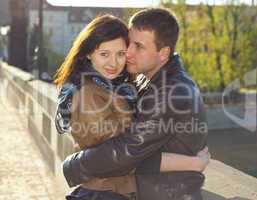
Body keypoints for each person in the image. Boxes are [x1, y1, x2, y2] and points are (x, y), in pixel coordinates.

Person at [56, 12, 209, 200]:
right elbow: (125, 152)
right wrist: (192, 163)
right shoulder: (99, 89)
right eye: (130, 44)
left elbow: (127, 153)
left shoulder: (170, 90)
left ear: (163, 53)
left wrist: (73, 166)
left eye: (137, 46)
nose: (128, 54)